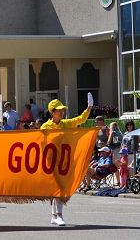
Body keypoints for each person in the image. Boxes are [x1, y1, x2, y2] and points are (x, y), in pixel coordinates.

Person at [40, 93, 93, 226]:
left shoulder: (66, 124)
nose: (62, 112)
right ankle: (58, 215)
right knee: (57, 188)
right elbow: (40, 144)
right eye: (59, 110)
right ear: (52, 112)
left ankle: (55, 216)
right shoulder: (45, 127)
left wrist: (89, 108)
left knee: (60, 188)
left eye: (62, 110)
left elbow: (80, 119)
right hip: (50, 162)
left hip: (64, 161)